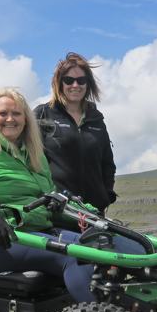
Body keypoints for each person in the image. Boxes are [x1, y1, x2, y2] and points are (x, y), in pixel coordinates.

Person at [0, 88, 100, 303]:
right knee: (75, 257)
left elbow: (51, 196)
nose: (10, 119)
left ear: (26, 119)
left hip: (31, 232)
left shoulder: (32, 153)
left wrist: (91, 216)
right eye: (3, 113)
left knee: (98, 246)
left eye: (17, 113)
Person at [33, 52, 118, 213]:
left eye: (81, 80)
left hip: (94, 212)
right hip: (58, 211)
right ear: (59, 83)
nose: (75, 85)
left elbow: (108, 163)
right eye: (69, 80)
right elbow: (29, 159)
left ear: (88, 84)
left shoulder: (96, 119)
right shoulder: (43, 114)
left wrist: (106, 195)